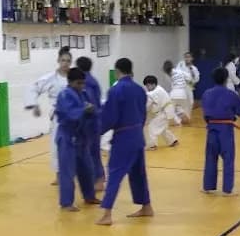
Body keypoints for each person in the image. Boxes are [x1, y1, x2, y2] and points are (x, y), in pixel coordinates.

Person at [96, 58, 153, 226]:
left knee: (114, 174)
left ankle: (107, 214)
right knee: (138, 174)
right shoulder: (140, 90)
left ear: (117, 71)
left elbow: (110, 117)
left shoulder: (116, 90)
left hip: (123, 138)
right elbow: (143, 114)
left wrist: (98, 131)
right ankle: (146, 206)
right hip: (138, 135)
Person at [54, 68, 100, 211]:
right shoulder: (64, 95)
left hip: (81, 137)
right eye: (78, 83)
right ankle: (66, 203)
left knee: (87, 168)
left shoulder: (83, 93)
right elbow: (69, 114)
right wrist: (84, 110)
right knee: (67, 171)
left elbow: (92, 110)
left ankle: (89, 196)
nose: (81, 86)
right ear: (70, 82)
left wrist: (92, 110)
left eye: (82, 83)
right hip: (67, 137)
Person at [25, 47, 71, 184]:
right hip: (58, 117)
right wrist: (34, 104)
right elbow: (33, 88)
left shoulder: (74, 77)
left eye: (68, 61)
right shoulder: (50, 78)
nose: (65, 63)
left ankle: (74, 173)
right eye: (63, 60)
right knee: (57, 146)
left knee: (74, 145)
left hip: (74, 116)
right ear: (58, 61)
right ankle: (58, 175)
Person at [201, 67, 240, 195]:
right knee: (228, 158)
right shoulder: (231, 94)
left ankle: (208, 186)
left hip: (212, 129)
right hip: (225, 130)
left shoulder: (206, 94)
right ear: (226, 79)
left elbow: (205, 114)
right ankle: (227, 189)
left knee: (210, 158)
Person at [75, 56, 105, 191]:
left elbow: (90, 104)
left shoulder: (86, 83)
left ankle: (98, 179)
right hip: (94, 121)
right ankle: (97, 178)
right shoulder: (93, 80)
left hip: (90, 122)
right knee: (93, 151)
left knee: (91, 152)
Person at [142, 75, 178, 149]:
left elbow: (148, 105)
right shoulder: (159, 88)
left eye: (148, 86)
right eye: (146, 86)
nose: (147, 88)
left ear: (153, 84)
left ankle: (152, 145)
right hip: (166, 111)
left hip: (165, 112)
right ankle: (172, 141)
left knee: (152, 127)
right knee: (162, 128)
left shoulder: (154, 93)